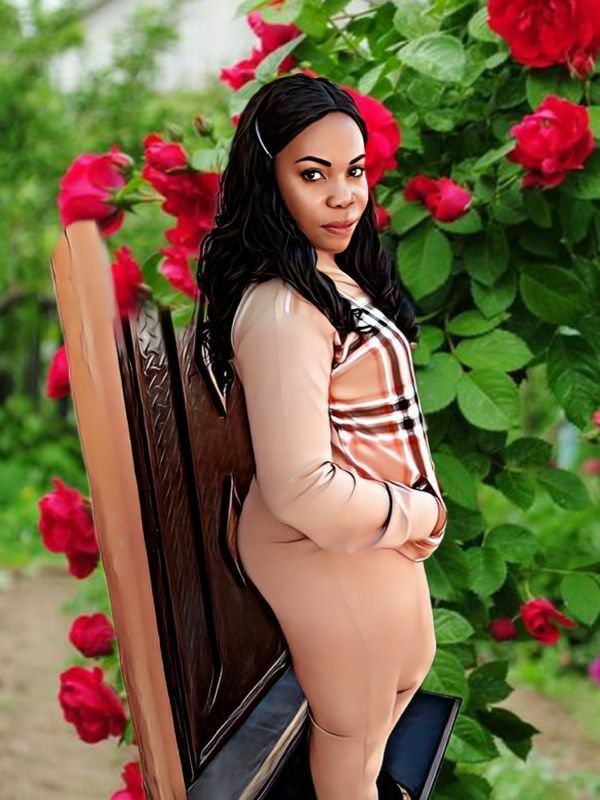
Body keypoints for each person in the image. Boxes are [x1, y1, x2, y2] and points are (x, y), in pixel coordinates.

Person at [196, 73, 447, 800]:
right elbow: (301, 486)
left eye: (354, 171)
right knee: (354, 728)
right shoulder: (284, 308)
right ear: (268, 180)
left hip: (362, 530)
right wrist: (419, 512)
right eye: (313, 175)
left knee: (388, 697)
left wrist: (405, 514)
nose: (343, 196)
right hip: (316, 538)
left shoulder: (331, 278)